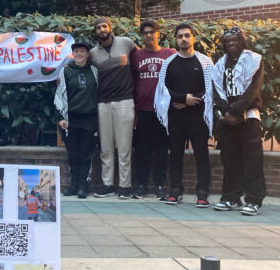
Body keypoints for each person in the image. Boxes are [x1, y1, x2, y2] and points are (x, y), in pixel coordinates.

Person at [154, 22, 214, 207]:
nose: (183, 39)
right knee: (175, 155)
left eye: (187, 35)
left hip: (198, 117)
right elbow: (162, 89)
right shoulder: (169, 63)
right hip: (176, 116)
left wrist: (192, 99)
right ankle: (175, 190)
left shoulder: (205, 61)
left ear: (194, 38)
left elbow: (211, 88)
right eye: (180, 36)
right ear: (176, 39)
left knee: (201, 155)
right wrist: (181, 98)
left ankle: (203, 193)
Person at [212, 27, 266, 216]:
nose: (232, 44)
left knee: (253, 159)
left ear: (242, 41)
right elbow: (217, 90)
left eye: (235, 40)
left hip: (248, 116)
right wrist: (226, 111)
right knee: (230, 159)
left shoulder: (254, 60)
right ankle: (230, 196)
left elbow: (253, 90)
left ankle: (253, 200)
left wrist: (235, 110)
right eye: (228, 41)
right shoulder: (220, 64)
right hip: (227, 118)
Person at [90, 17, 137, 199]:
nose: (102, 29)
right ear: (95, 32)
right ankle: (107, 184)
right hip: (103, 102)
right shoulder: (93, 53)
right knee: (106, 147)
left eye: (104, 26)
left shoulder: (126, 43)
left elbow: (140, 60)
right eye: (98, 28)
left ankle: (125, 185)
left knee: (124, 146)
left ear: (110, 28)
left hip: (125, 100)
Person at [130, 20, 176, 200]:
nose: (148, 35)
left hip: (163, 111)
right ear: (141, 36)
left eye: (152, 32)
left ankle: (159, 184)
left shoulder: (169, 54)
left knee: (161, 149)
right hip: (142, 109)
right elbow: (133, 81)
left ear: (158, 34)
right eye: (145, 32)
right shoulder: (136, 56)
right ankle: (141, 185)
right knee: (142, 149)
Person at [54, 39, 98, 199]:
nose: (79, 54)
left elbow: (98, 94)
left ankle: (83, 185)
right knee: (73, 154)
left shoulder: (94, 71)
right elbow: (59, 95)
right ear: (73, 53)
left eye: (82, 51)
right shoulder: (65, 71)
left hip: (89, 118)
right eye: (76, 51)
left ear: (87, 54)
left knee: (86, 154)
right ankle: (73, 185)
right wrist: (60, 117)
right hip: (70, 119)